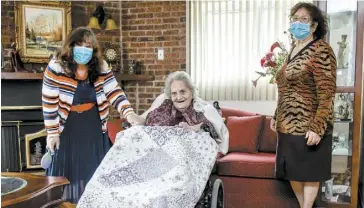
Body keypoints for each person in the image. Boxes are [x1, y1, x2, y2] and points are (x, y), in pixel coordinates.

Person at [77, 71, 229, 207]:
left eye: (183, 91)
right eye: (174, 93)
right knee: (129, 138)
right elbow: (145, 120)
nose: (179, 97)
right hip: (151, 158)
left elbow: (212, 130)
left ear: (191, 91)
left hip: (177, 160)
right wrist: (133, 119)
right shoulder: (163, 105)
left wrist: (193, 129)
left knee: (162, 195)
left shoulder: (202, 109)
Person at [42, 27, 145, 203]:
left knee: (92, 172)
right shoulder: (57, 66)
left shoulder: (101, 66)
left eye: (88, 45)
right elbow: (49, 101)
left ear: (94, 49)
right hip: (67, 127)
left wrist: (129, 114)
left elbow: (114, 92)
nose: (84, 49)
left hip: (93, 126)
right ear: (71, 46)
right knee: (65, 174)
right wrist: (52, 133)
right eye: (79, 44)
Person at [270, 3, 336, 208]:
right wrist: (275, 115)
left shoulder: (321, 49)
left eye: (303, 19)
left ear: (314, 26)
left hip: (309, 126)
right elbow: (286, 89)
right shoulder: (292, 51)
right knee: (292, 172)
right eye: (294, 19)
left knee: (309, 173)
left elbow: (327, 93)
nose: (297, 23)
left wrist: (317, 127)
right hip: (287, 125)